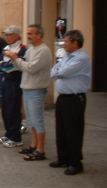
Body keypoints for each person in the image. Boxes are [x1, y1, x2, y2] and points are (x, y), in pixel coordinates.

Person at [4, 24, 52, 161]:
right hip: (28, 87)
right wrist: (16, 59)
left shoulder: (43, 51)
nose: (28, 36)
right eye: (28, 33)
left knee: (37, 120)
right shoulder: (31, 49)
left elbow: (31, 68)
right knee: (31, 120)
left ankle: (40, 150)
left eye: (31, 34)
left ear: (39, 35)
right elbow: (23, 66)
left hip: (36, 89)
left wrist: (15, 58)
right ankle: (34, 145)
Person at [50, 30, 91, 175]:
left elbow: (64, 72)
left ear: (75, 43)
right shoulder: (66, 56)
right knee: (61, 129)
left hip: (74, 98)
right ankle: (63, 157)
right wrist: (58, 71)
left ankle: (75, 162)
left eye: (66, 41)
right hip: (63, 97)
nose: (64, 44)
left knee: (73, 131)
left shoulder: (82, 58)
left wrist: (58, 72)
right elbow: (54, 70)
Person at [0, 25, 27, 148]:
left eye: (9, 34)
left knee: (13, 109)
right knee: (5, 109)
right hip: (6, 81)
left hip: (15, 82)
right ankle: (8, 133)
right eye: (6, 35)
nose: (7, 37)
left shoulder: (22, 49)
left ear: (17, 35)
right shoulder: (6, 48)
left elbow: (14, 67)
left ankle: (15, 136)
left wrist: (5, 65)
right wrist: (5, 65)